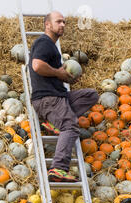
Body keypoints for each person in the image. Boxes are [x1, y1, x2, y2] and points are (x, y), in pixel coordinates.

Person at [29, 11, 99, 182]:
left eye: (64, 22)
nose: (62, 25)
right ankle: (58, 168)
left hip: (58, 96)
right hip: (48, 98)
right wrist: (58, 73)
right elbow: (37, 66)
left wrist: (66, 76)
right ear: (47, 25)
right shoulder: (44, 42)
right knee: (70, 126)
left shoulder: (51, 46)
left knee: (91, 95)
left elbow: (51, 72)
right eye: (58, 21)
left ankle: (53, 121)